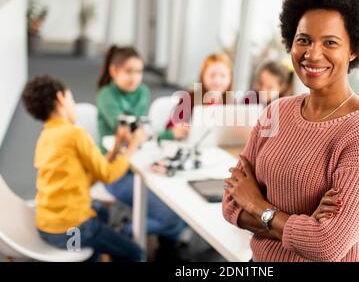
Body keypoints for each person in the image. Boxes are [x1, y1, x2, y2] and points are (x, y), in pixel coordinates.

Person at [222, 0, 359, 262]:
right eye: (304, 40)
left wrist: (258, 205)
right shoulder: (276, 112)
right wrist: (301, 224)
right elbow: (230, 204)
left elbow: (326, 245)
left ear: (353, 49)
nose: (312, 54)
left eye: (330, 42)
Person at [22, 75, 145, 262]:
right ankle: (87, 253)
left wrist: (116, 148)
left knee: (101, 212)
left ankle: (90, 255)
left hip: (47, 227)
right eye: (71, 98)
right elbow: (108, 175)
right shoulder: (75, 134)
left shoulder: (46, 136)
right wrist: (133, 146)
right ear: (61, 98)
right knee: (136, 253)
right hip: (72, 231)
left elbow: (88, 173)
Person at [97, 45, 187, 260]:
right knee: (172, 218)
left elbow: (142, 131)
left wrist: (155, 134)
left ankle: (162, 242)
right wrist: (159, 134)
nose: (135, 77)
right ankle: (124, 233)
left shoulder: (143, 92)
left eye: (139, 71)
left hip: (140, 164)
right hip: (115, 171)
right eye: (129, 71)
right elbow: (130, 133)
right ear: (113, 71)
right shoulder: (106, 95)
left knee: (182, 204)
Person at [158, 53, 233, 141]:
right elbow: (166, 132)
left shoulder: (230, 103)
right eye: (212, 75)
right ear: (202, 76)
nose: (217, 81)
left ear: (230, 78)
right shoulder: (189, 99)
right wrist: (174, 132)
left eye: (223, 76)